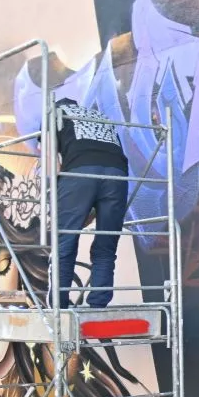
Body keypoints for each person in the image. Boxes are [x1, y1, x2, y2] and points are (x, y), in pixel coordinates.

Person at [54, 98, 129, 308]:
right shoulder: (100, 117)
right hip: (118, 174)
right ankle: (98, 304)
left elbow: (52, 162)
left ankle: (58, 306)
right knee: (106, 245)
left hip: (79, 171)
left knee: (65, 242)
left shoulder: (54, 114)